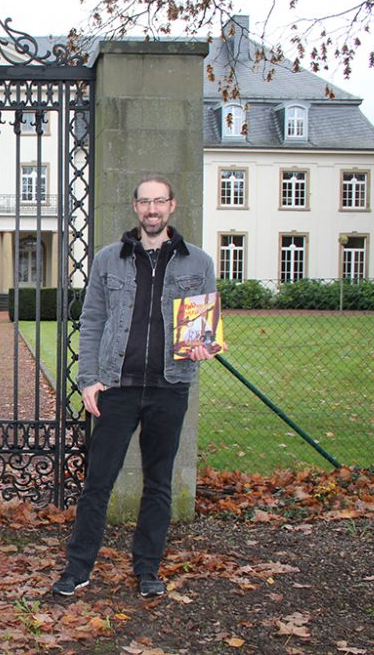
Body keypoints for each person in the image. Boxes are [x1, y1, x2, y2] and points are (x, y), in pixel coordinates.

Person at [51, 175, 220, 599]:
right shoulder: (110, 259)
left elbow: (202, 326)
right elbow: (91, 321)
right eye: (145, 202)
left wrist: (202, 348)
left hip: (169, 386)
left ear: (172, 206)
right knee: (97, 483)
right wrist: (88, 380)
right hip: (116, 387)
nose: (152, 209)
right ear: (135, 208)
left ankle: (147, 569)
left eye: (159, 201)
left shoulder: (197, 262)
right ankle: (78, 568)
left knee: (159, 482)